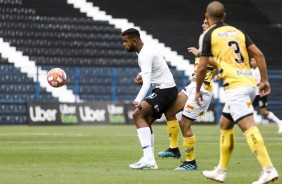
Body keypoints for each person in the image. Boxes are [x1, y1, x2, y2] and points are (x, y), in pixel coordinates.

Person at [196, 1, 279, 183]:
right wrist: (264, 80)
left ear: (206, 16)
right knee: (225, 124)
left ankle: (268, 169)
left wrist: (197, 90)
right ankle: (220, 171)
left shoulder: (207, 35)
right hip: (249, 83)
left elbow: (202, 67)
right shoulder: (237, 32)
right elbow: (259, 55)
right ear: (224, 15)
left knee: (248, 127)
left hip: (235, 88)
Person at [157, 19, 217, 171]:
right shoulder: (205, 42)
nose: (202, 25)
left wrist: (200, 54)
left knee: (184, 123)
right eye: (202, 22)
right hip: (193, 86)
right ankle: (173, 149)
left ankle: (191, 162)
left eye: (205, 23)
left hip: (203, 89)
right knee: (169, 111)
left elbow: (221, 62)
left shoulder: (217, 42)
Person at [121, 28, 178, 169]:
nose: (124, 44)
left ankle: (148, 158)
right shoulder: (144, 51)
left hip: (165, 90)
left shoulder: (144, 54)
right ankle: (151, 161)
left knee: (137, 114)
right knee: (145, 121)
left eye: (125, 41)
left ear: (134, 41)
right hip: (164, 89)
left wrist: (138, 99)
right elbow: (155, 67)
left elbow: (146, 84)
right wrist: (141, 73)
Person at [250, 57, 282, 133]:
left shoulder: (260, 70)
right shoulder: (250, 71)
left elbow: (262, 82)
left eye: (254, 60)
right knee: (249, 110)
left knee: (263, 111)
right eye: (251, 60)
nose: (253, 62)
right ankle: (251, 128)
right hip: (253, 94)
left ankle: (279, 122)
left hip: (261, 93)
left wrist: (255, 85)